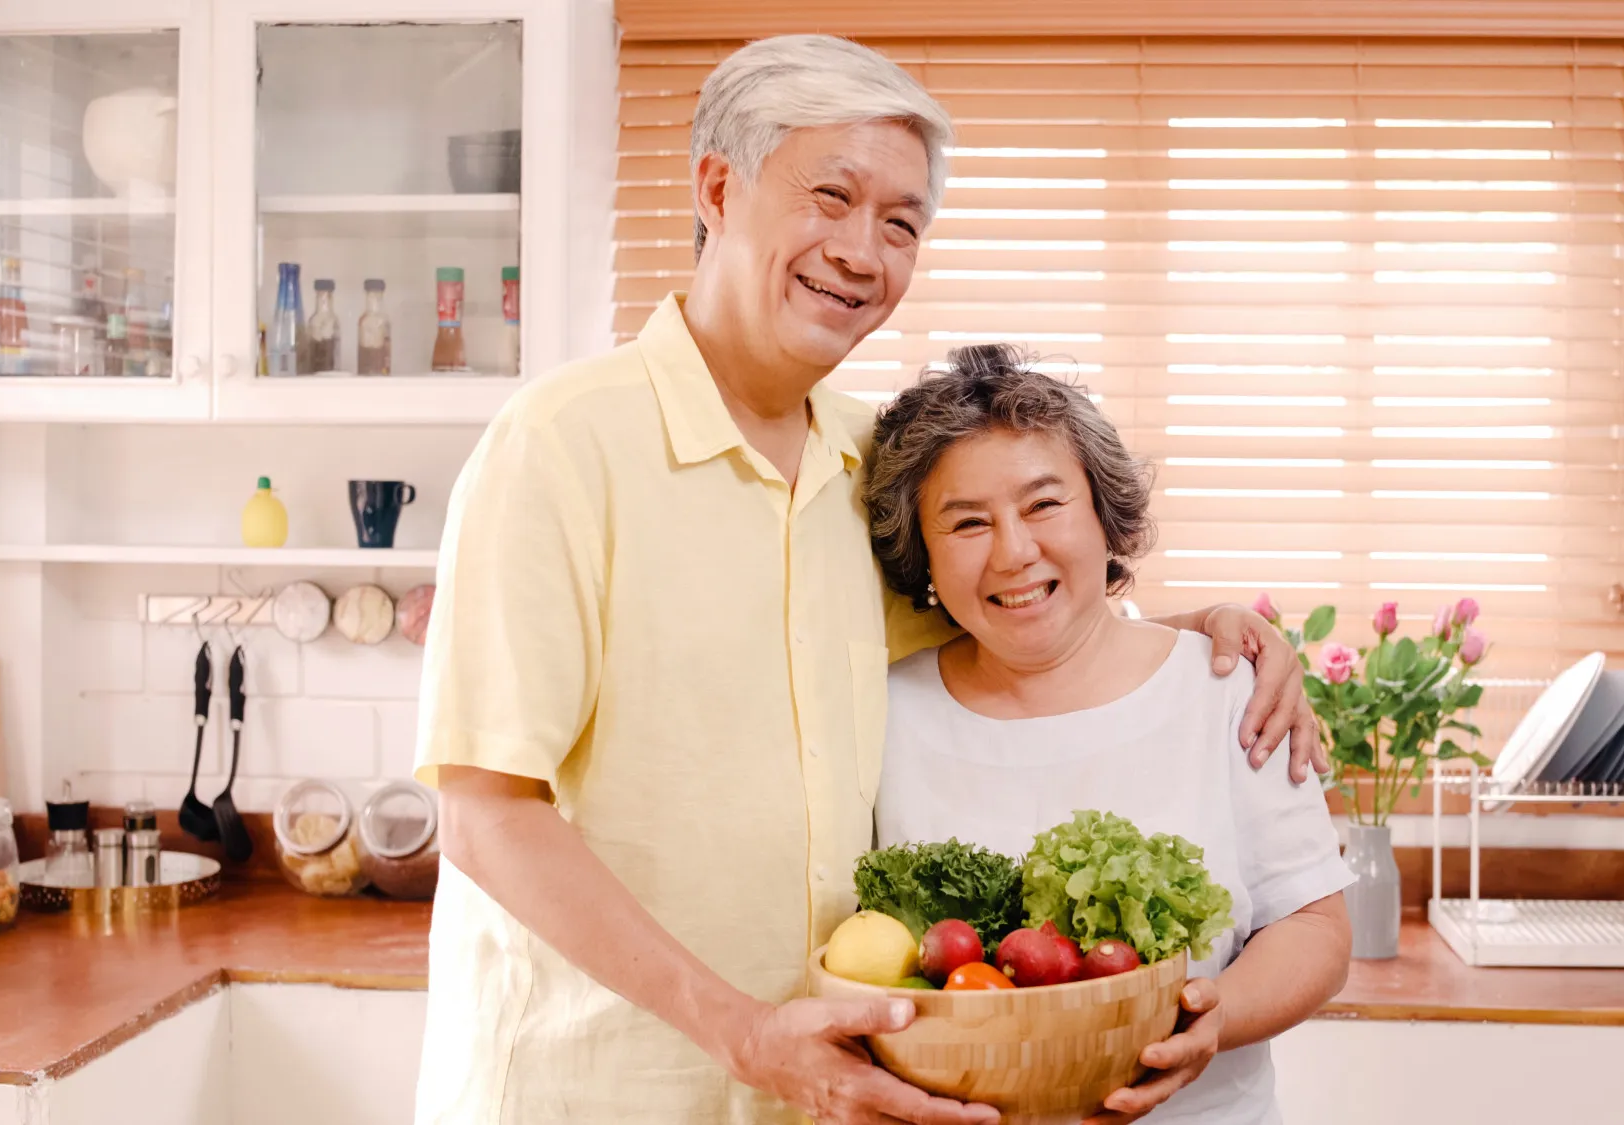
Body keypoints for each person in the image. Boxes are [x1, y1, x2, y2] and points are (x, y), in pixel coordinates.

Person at [411, 34, 1325, 1125]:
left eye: (900, 222)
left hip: (827, 1096)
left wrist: (1203, 635)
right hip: (606, 1091)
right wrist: (743, 1034)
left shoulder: (875, 467)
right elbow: (485, 814)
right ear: (717, 185)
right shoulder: (560, 447)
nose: (862, 251)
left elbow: (1008, 613)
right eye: (830, 197)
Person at [866, 345, 1355, 1125]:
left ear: (1103, 510)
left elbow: (1313, 925)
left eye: (1044, 504)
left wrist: (1208, 1014)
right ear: (922, 553)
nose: (1014, 550)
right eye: (966, 522)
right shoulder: (883, 710)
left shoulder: (1226, 686)